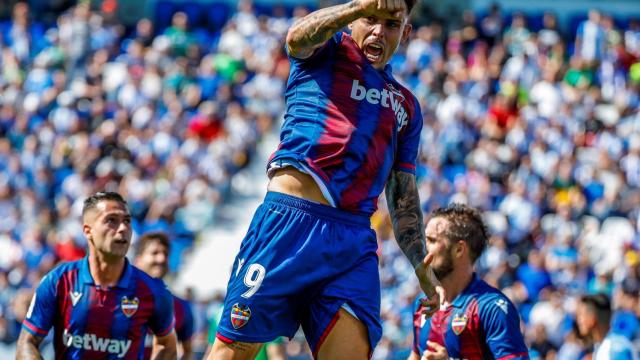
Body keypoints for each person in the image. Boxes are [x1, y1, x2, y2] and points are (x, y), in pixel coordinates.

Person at [209, 0, 442, 358]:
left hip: (352, 242)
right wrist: (355, 7)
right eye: (370, 19)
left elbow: (402, 191)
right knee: (231, 352)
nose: (379, 31)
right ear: (353, 19)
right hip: (288, 224)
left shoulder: (406, 106)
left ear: (406, 33)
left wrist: (419, 263)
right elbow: (296, 38)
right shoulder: (324, 53)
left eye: (391, 24)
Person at [16, 192, 177, 359]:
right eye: (111, 221)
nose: (122, 228)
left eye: (127, 221)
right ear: (88, 231)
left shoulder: (152, 291)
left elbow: (167, 344)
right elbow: (27, 342)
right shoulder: (59, 281)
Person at [409, 204, 529, 360]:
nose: (422, 247)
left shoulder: (492, 308)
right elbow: (415, 356)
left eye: (432, 240)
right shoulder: (422, 303)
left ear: (459, 249)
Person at [134, 231, 195, 360]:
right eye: (155, 253)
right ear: (138, 260)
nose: (161, 259)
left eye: (165, 254)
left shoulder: (180, 307)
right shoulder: (119, 298)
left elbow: (187, 351)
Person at [575, 293, 639, 360]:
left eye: (581, 315)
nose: (578, 320)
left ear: (592, 318)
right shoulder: (603, 346)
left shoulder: (614, 349)